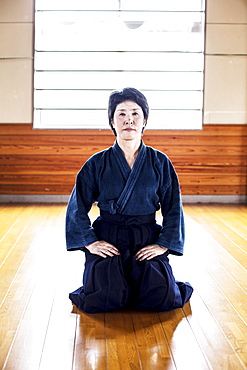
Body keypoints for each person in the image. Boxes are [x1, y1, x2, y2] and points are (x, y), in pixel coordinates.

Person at [66, 87, 193, 313]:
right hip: (109, 237)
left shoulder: (159, 162)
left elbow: (174, 208)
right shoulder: (96, 163)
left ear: (144, 120)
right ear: (112, 121)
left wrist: (163, 244)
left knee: (162, 297)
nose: (129, 120)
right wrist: (90, 242)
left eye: (135, 113)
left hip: (145, 236)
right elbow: (77, 207)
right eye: (121, 114)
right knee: (104, 298)